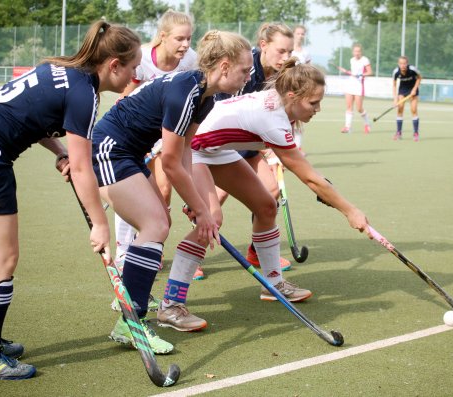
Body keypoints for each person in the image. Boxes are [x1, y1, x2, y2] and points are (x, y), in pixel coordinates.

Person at [0, 21, 141, 380]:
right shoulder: (85, 94)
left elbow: (33, 115)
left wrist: (58, 152)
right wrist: (100, 225)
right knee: (3, 258)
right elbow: (84, 170)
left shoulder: (63, 70)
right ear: (114, 64)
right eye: (132, 67)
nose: (135, 75)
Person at [157, 59, 370, 332]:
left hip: (217, 150)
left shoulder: (280, 102)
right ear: (293, 97)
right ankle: (170, 304)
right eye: (314, 103)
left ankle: (273, 284)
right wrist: (350, 211)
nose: (318, 109)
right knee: (212, 219)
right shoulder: (273, 119)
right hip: (193, 149)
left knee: (266, 207)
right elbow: (307, 177)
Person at [92, 30, 253, 353]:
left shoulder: (205, 97)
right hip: (110, 149)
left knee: (158, 221)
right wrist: (204, 209)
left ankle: (132, 307)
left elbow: (185, 155)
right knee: (156, 225)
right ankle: (131, 320)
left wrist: (196, 202)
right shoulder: (186, 91)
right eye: (244, 70)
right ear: (223, 66)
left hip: (131, 153)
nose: (248, 77)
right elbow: (169, 162)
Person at [196, 22, 295, 281]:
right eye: (281, 51)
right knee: (213, 205)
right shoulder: (245, 66)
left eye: (289, 52)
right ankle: (194, 254)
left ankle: (256, 252)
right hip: (217, 138)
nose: (285, 58)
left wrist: (273, 148)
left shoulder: (278, 75)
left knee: (270, 191)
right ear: (263, 46)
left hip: (245, 141)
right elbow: (224, 113)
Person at [113, 10, 198, 269]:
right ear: (163, 37)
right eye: (179, 39)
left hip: (168, 133)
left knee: (163, 189)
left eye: (189, 39)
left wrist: (167, 138)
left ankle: (148, 243)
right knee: (134, 189)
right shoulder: (143, 61)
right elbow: (125, 101)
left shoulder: (190, 60)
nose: (185, 45)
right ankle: (123, 249)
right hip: (136, 131)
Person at [338, 44, 372, 134]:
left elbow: (370, 72)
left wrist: (361, 75)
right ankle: (348, 127)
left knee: (359, 108)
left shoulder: (365, 60)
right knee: (349, 106)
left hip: (359, 86)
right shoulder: (352, 60)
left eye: (358, 51)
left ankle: (367, 124)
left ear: (361, 52)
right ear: (353, 52)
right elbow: (353, 72)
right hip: (350, 84)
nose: (357, 53)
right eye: (355, 51)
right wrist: (346, 71)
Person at [392, 56, 422, 141]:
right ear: (398, 64)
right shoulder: (396, 72)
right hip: (403, 90)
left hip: (413, 89)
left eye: (404, 63)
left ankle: (416, 133)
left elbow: (419, 78)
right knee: (400, 109)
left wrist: (414, 89)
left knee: (413, 110)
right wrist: (395, 99)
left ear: (407, 63)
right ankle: (398, 132)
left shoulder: (412, 69)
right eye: (401, 63)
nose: (403, 65)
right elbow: (394, 85)